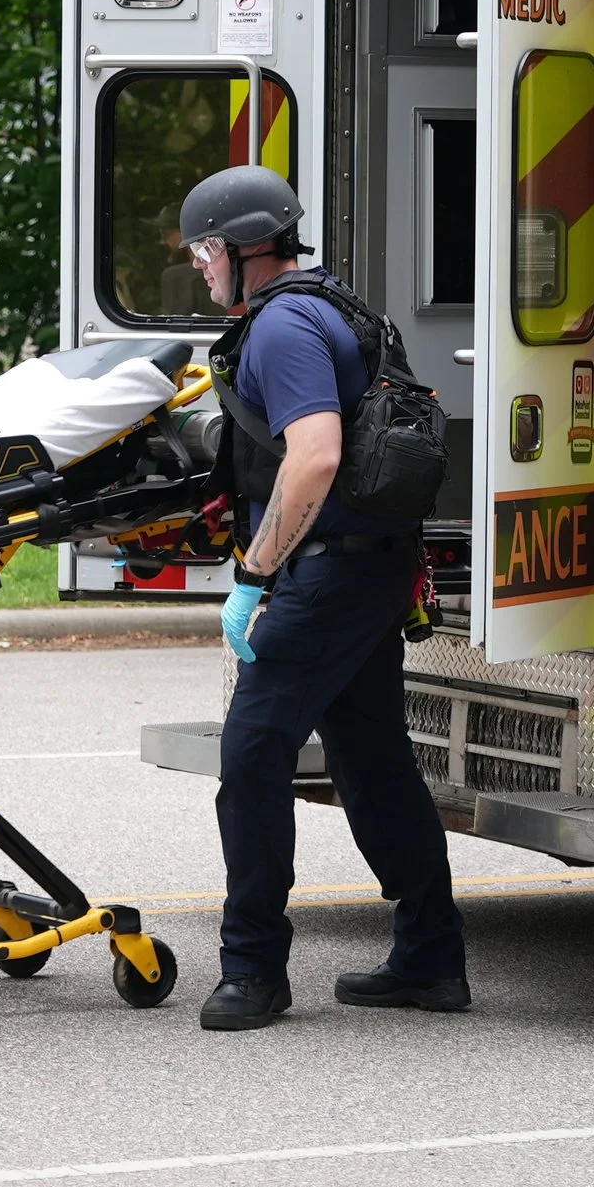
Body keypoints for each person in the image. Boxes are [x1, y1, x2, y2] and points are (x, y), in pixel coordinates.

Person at [181, 164, 467, 1031]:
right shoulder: (335, 302)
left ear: (241, 249)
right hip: (368, 564)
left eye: (203, 250)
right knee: (374, 762)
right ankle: (429, 958)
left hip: (330, 572)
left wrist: (256, 575)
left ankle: (254, 969)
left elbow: (314, 457)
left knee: (253, 754)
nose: (198, 266)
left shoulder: (283, 329)